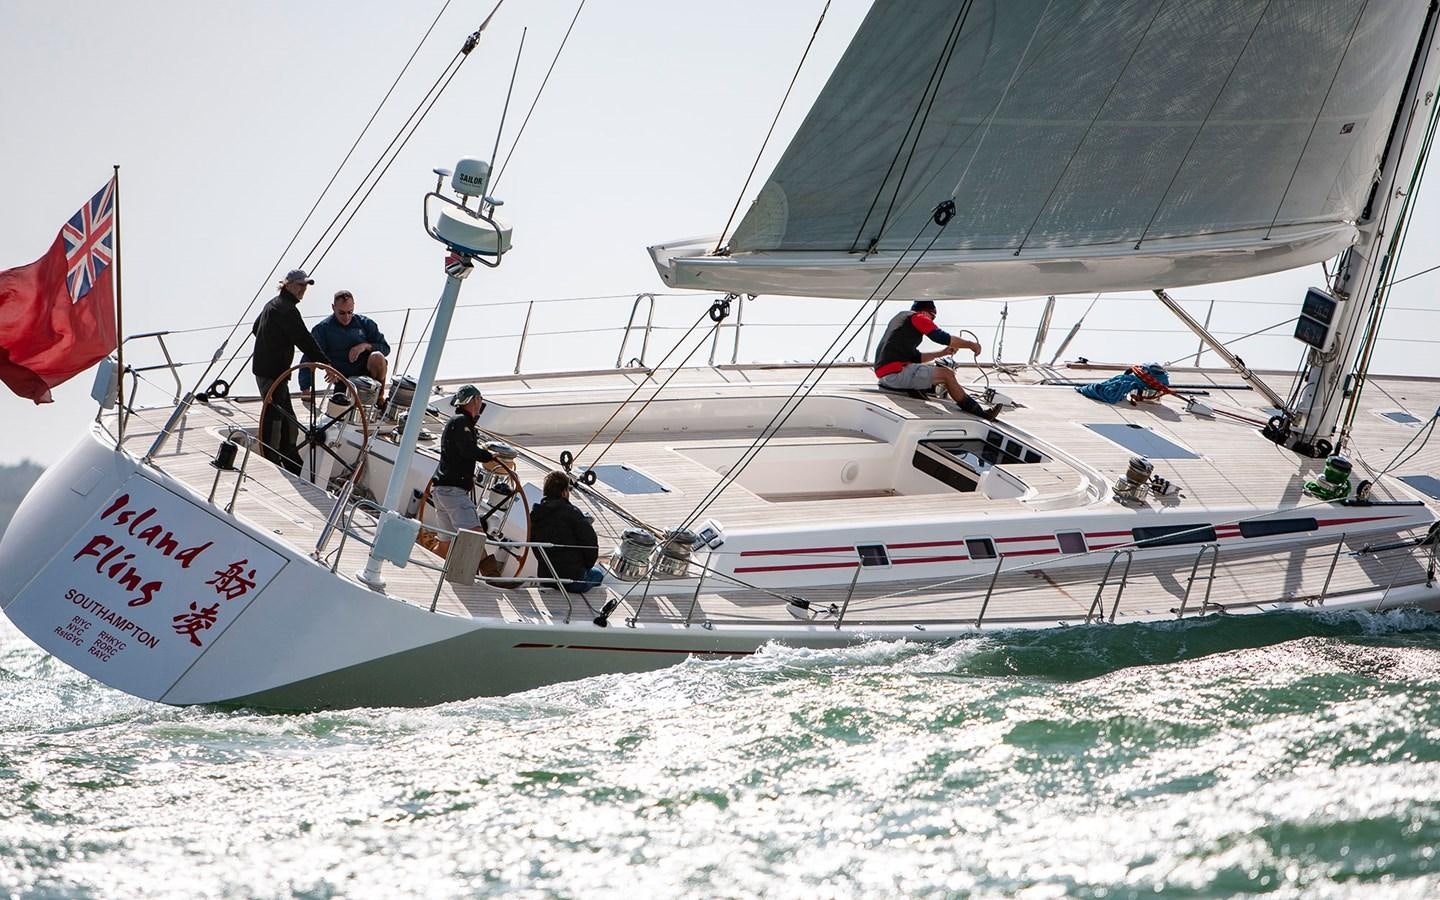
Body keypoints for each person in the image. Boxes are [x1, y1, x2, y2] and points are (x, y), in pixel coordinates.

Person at [251, 269, 333, 474]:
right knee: (277, 419)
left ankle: (288, 462)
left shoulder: (272, 304)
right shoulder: (286, 310)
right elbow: (304, 340)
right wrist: (326, 363)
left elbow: (255, 328)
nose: (303, 289)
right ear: (287, 285)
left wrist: (273, 342)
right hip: (272, 373)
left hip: (268, 371)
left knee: (284, 418)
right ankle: (274, 462)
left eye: (305, 285)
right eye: (299, 285)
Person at [873, 299, 1000, 419]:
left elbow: (916, 357)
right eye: (932, 317)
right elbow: (941, 337)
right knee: (947, 375)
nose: (932, 321)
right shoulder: (917, 317)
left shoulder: (901, 320)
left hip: (885, 375)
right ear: (924, 312)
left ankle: (919, 389)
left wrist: (942, 353)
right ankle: (980, 413)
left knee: (930, 370)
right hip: (894, 375)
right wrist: (971, 345)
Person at [429, 384, 495, 556]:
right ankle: (490, 577)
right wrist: (490, 457)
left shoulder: (455, 421)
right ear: (475, 401)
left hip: (441, 491)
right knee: (475, 538)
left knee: (446, 544)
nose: (480, 405)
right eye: (480, 400)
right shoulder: (462, 422)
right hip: (453, 492)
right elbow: (468, 450)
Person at [297, 289, 391, 403]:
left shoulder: (366, 324)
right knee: (339, 405)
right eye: (342, 313)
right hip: (341, 378)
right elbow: (309, 357)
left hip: (367, 377)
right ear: (333, 307)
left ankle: (379, 399)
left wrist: (364, 346)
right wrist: (305, 389)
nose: (346, 317)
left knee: (378, 356)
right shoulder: (322, 329)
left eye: (350, 312)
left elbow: (385, 348)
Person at [529, 470, 603, 594]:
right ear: (564, 492)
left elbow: (535, 547)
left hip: (546, 577)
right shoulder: (573, 514)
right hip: (573, 581)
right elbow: (590, 544)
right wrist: (586, 566)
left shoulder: (535, 515)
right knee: (599, 574)